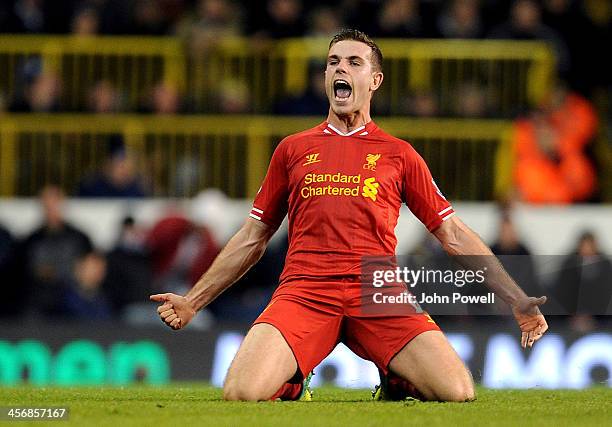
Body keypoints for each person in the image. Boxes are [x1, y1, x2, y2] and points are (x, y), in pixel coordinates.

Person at [151, 29, 548, 402]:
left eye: (354, 62)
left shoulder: (400, 154)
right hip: (305, 291)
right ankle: (293, 383)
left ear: (375, 80)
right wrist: (194, 301)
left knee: (458, 391)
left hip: (379, 292)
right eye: (333, 62)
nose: (341, 68)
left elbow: (453, 233)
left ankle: (396, 379)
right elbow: (254, 236)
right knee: (239, 392)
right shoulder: (292, 149)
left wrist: (515, 298)